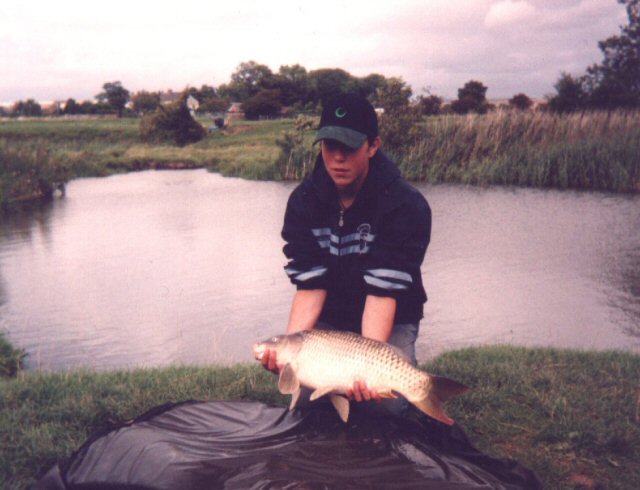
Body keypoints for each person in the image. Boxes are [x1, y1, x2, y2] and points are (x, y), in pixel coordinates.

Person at [261, 92, 431, 413]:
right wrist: (290, 353)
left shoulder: (405, 205)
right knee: (309, 402)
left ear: (373, 146)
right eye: (329, 146)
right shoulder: (303, 202)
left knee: (384, 406)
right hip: (332, 319)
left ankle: (423, 389)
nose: (338, 158)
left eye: (349, 148)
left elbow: (382, 294)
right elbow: (310, 287)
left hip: (390, 314)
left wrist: (365, 368)